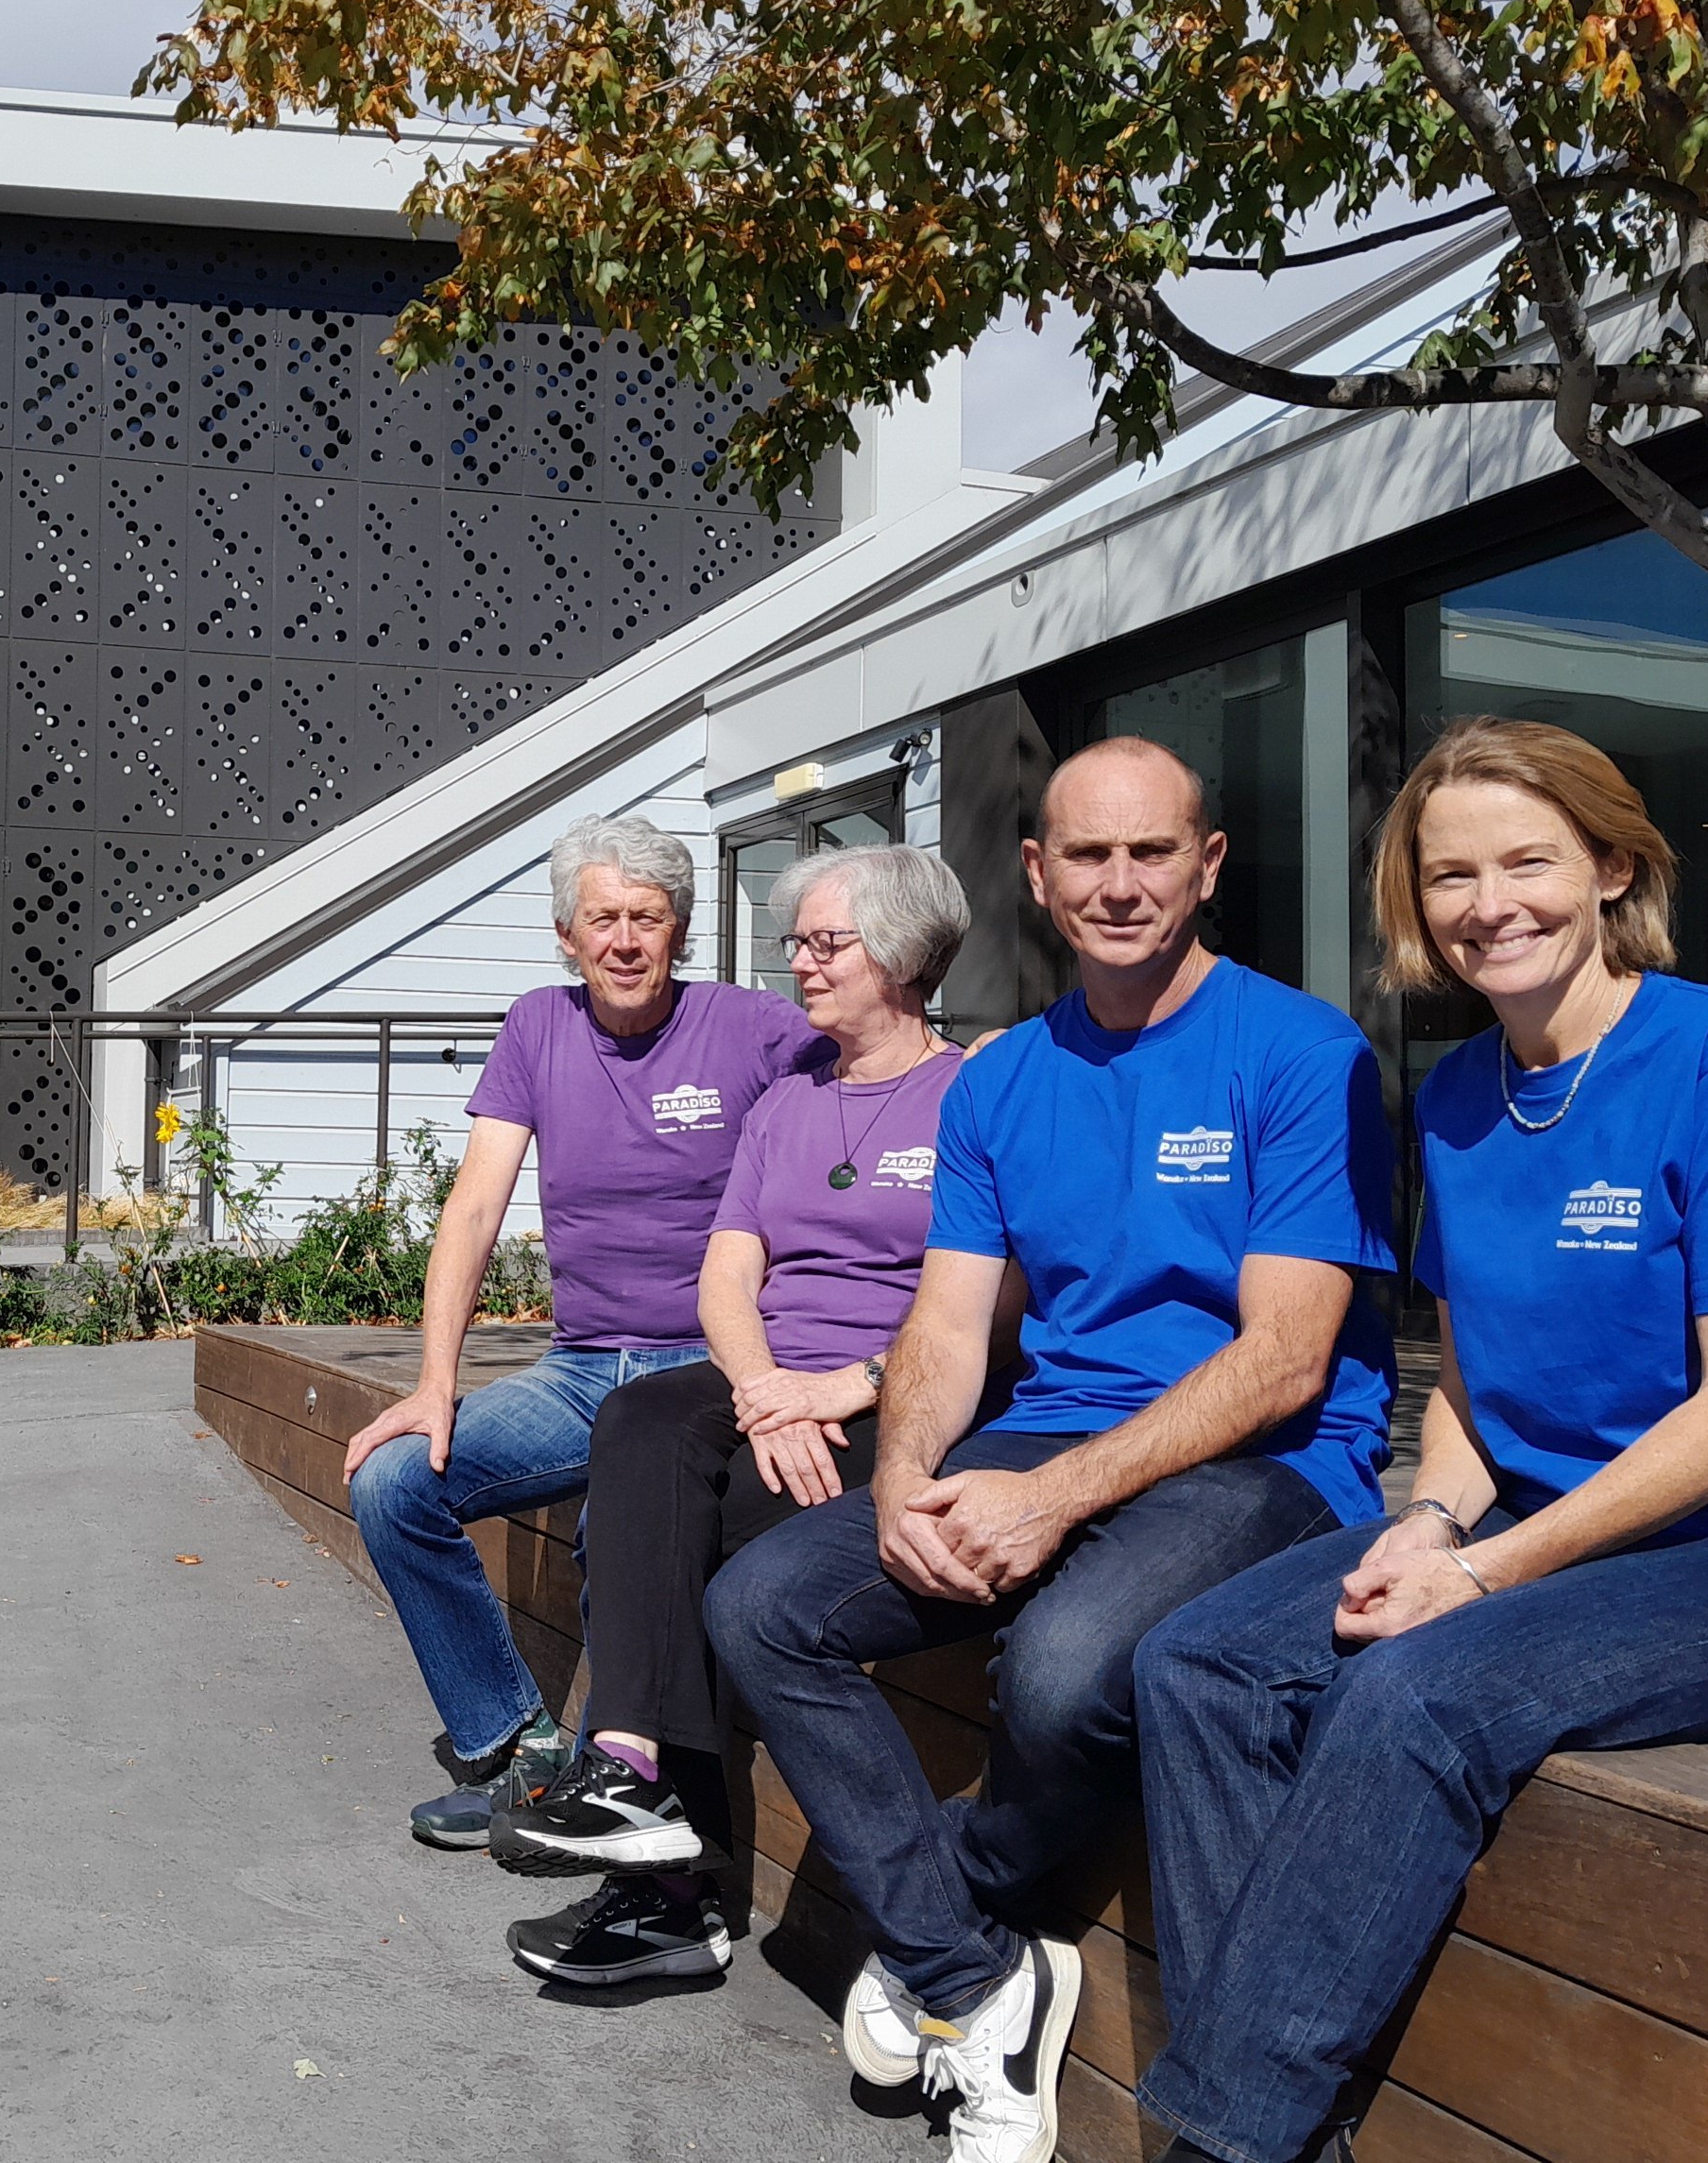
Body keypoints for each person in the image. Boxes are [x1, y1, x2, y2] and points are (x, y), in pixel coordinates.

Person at [1129, 718, 1708, 2163]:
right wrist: (1432, 1523)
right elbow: (1470, 1385)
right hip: (1542, 1530)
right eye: (1451, 874)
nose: (1492, 904)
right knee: (1199, 1662)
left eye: (1529, 861)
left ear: (1611, 867)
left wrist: (1481, 1577)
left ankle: (1222, 2143)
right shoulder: (1461, 1098)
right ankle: (1278, 2127)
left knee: (1413, 1696)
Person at [705, 737, 1398, 2163]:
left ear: (1208, 865)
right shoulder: (1004, 1079)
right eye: (1089, 854)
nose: (1122, 883)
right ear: (1037, 874)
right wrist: (901, 1482)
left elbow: (1285, 1358)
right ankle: (973, 1971)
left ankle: (945, 1897)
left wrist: (1054, 1494)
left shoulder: (1299, 1052)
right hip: (1051, 1431)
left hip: (1270, 1458)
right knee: (763, 1605)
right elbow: (949, 1332)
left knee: (1076, 1666)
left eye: (1155, 853)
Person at [493, 843, 983, 1988]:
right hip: (772, 1379)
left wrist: (843, 1390)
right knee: (642, 1426)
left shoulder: (973, 1095)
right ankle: (624, 1769)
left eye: (824, 944)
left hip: (900, 1391)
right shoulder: (788, 1102)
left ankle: (677, 1898)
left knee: (716, 1545)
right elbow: (728, 1275)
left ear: (903, 954)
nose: (796, 966)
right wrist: (764, 1390)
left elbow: (986, 1302)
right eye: (795, 943)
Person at [344, 812, 823, 1850]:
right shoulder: (538, 1028)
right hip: (576, 1372)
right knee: (393, 1482)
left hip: (702, 1370)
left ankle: (625, 1793)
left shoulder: (752, 1028)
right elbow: (473, 1209)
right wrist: (436, 1383)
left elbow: (887, 1066)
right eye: (602, 918)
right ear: (567, 935)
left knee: (623, 1526)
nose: (624, 939)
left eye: (647, 918)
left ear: (680, 930)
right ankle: (520, 1753)